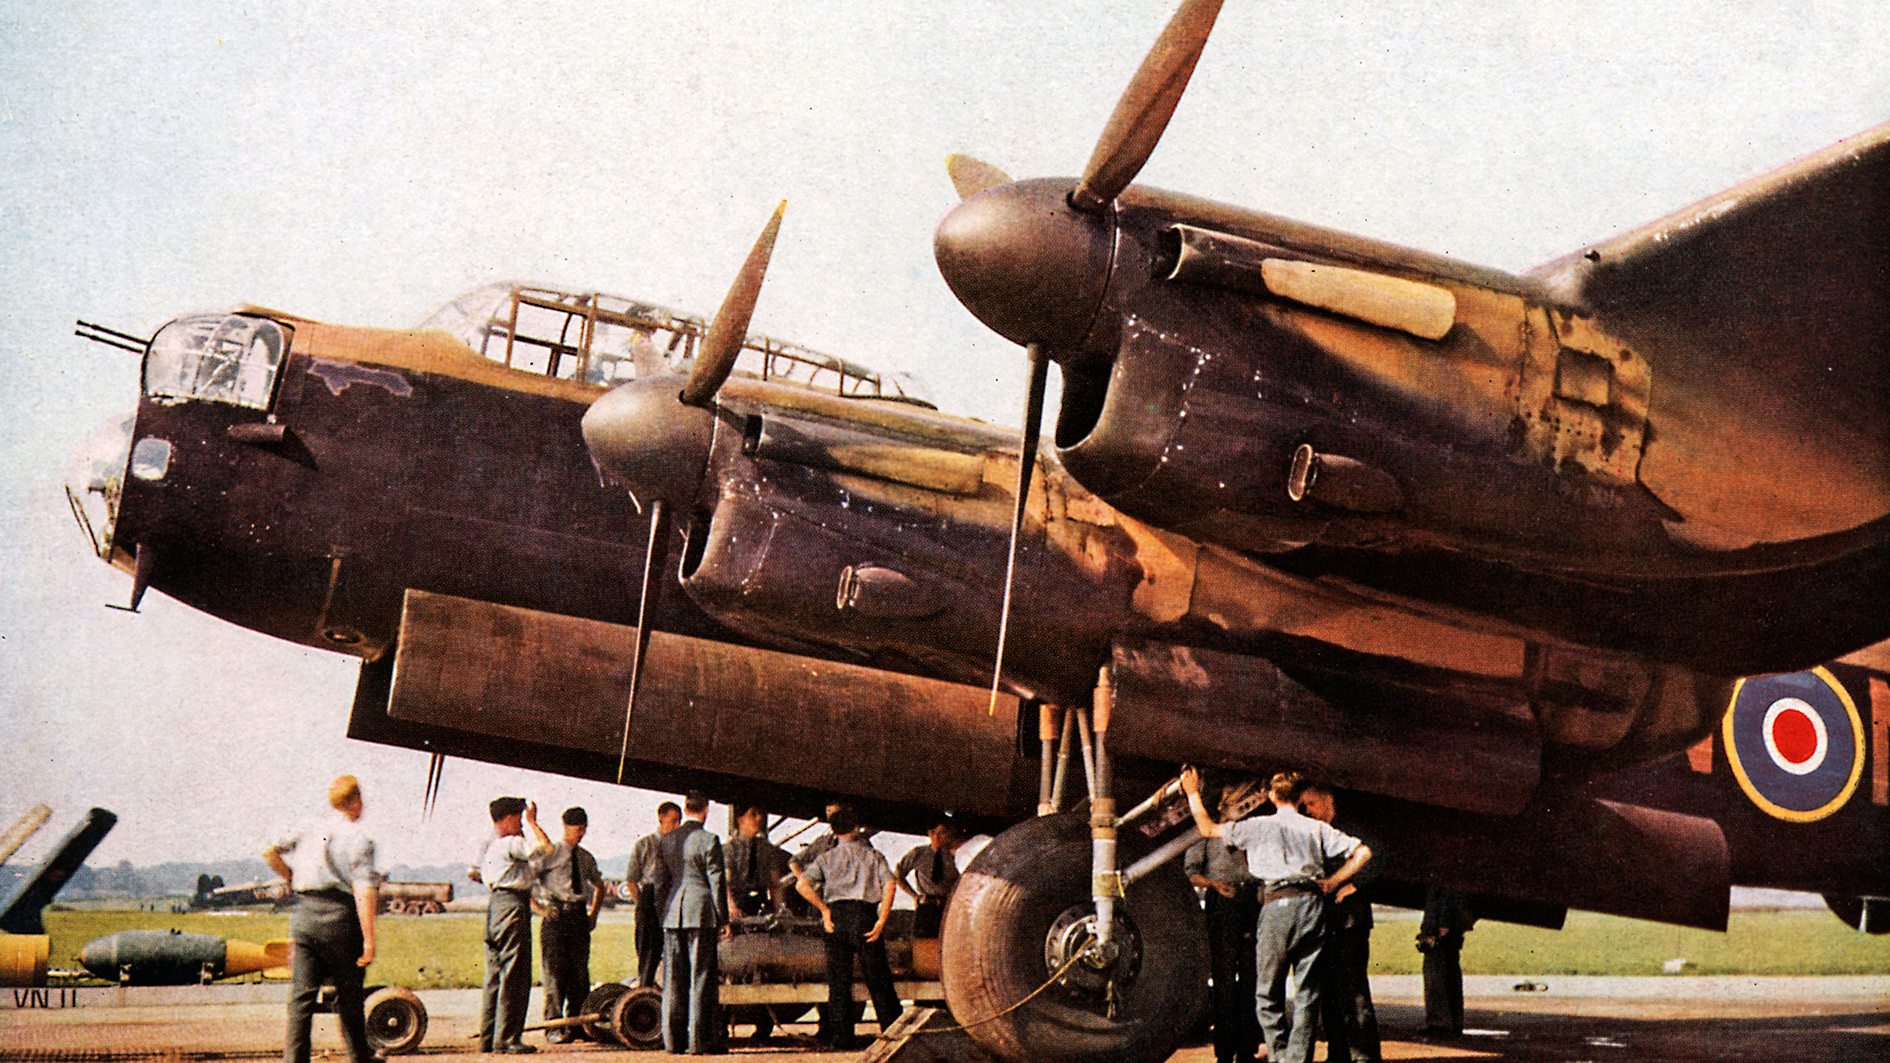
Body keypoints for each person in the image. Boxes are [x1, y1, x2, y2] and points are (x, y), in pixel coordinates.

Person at [1183, 767, 1370, 1063]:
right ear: (1299, 798)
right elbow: (1363, 853)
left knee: (1266, 991)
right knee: (1308, 992)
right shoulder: (1316, 828)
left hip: (1276, 905)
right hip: (1311, 905)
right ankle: (1297, 1058)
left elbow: (1207, 829)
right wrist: (1333, 881)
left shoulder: (1258, 826)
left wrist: (1193, 792)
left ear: (1271, 796)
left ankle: (1280, 1055)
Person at [264, 774, 378, 1063]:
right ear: (355, 801)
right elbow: (364, 890)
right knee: (350, 999)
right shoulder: (360, 839)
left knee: (301, 998)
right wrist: (368, 940)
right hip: (341, 917)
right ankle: (359, 1058)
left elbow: (269, 851)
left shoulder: (307, 827)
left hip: (304, 915)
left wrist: (289, 875)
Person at [795, 804, 903, 1050]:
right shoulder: (873, 855)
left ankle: (841, 1038)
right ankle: (894, 1033)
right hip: (864, 917)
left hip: (836, 918)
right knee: (879, 980)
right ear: (858, 828)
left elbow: (801, 885)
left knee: (839, 981)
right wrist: (882, 920)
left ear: (833, 830)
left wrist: (823, 910)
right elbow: (890, 884)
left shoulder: (826, 858)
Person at [1301, 783, 1381, 1063]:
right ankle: (1338, 1054)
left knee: (1355, 994)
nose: (1307, 810)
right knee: (1329, 995)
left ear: (1327, 801)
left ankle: (1365, 1057)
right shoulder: (1315, 831)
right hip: (1325, 923)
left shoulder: (1349, 829)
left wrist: (1353, 884)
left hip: (1350, 923)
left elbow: (1377, 855)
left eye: (1311, 804)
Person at [1185, 789, 1261, 1063]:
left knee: (1251, 978)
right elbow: (1191, 872)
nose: (1239, 807)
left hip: (1252, 900)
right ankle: (1225, 1051)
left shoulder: (1252, 829)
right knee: (1225, 981)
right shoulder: (1205, 833)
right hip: (1223, 904)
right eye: (1233, 803)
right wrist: (1214, 884)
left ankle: (1247, 1049)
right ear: (1221, 805)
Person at [651, 792, 728, 1055]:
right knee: (702, 977)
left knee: (673, 980)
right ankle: (700, 1041)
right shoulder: (710, 840)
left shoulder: (666, 840)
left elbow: (660, 884)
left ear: (685, 809)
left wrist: (664, 913)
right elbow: (716, 883)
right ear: (706, 809)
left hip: (673, 913)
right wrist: (723, 918)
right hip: (702, 912)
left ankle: (673, 1042)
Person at [472, 796, 551, 1054]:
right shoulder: (513, 842)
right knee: (515, 974)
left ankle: (489, 1038)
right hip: (514, 906)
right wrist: (534, 823)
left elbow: (474, 874)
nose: (521, 823)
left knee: (494, 975)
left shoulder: (489, 847)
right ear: (508, 819)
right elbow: (545, 848)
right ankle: (507, 1039)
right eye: (518, 817)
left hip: (495, 906)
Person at [535, 807, 607, 1044]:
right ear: (565, 827)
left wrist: (593, 914)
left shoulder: (585, 857)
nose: (581, 834)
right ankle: (554, 1027)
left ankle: (577, 1025)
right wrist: (540, 908)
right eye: (577, 830)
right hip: (556, 917)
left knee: (579, 974)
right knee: (555, 975)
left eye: (584, 829)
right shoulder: (551, 853)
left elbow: (600, 885)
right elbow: (525, 878)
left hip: (578, 918)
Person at [626, 801, 682, 987]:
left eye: (679, 821)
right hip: (649, 899)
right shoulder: (644, 845)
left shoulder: (680, 848)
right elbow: (631, 881)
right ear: (660, 819)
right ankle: (646, 990)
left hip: (671, 899)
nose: (677, 826)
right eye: (673, 821)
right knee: (648, 955)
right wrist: (643, 905)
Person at [1418, 886, 1475, 1038]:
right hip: (1448, 925)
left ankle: (1439, 1023)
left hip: (1439, 928)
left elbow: (1446, 893)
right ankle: (1453, 1022)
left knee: (1436, 977)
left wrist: (1443, 923)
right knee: (1449, 975)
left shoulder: (1441, 869)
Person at [894, 819, 965, 938]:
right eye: (937, 833)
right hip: (927, 907)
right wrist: (914, 896)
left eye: (943, 833)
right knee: (924, 941)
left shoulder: (955, 856)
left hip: (949, 906)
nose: (939, 837)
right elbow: (898, 874)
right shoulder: (919, 853)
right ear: (930, 834)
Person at [726, 805, 787, 919]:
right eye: (753, 814)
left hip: (761, 905)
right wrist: (732, 907)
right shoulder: (730, 849)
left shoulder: (767, 849)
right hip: (738, 905)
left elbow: (775, 883)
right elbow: (725, 883)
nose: (759, 818)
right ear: (740, 819)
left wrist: (780, 908)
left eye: (760, 814)